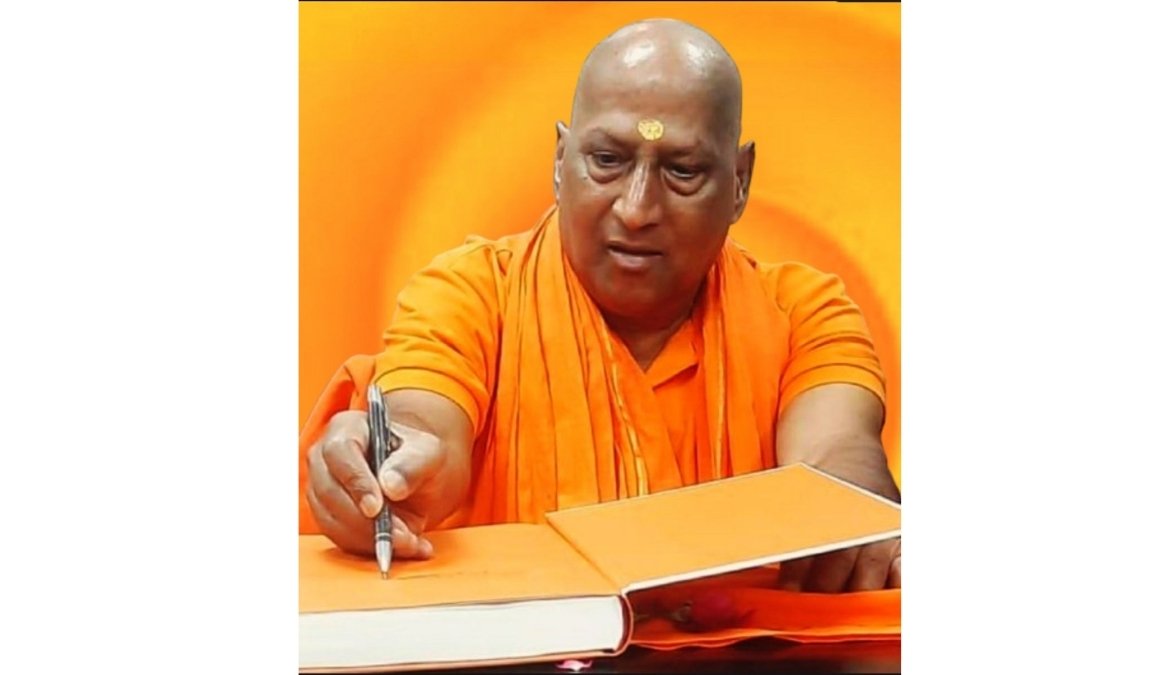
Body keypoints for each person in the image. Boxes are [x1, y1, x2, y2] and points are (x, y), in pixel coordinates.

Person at [302, 18, 900, 593]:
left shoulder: (802, 314)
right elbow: (423, 419)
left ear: (739, 181)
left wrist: (854, 508)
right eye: (607, 161)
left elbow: (835, 451)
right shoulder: (470, 293)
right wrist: (398, 466)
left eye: (683, 170)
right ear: (560, 161)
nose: (636, 209)